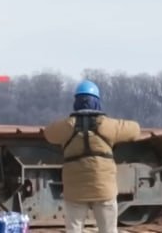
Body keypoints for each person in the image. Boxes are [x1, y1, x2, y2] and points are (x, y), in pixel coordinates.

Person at [44, 79, 141, 233]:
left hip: (75, 190)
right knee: (108, 230)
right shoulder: (108, 125)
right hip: (103, 189)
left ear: (76, 102)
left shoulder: (67, 126)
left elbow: (48, 133)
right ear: (97, 101)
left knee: (74, 229)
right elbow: (135, 130)